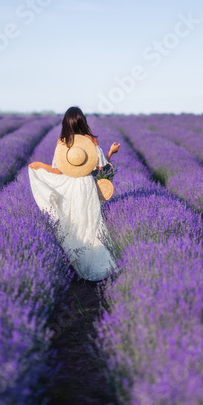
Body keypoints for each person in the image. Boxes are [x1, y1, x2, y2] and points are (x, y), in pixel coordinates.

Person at [28, 106, 120, 282]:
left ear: (66, 123)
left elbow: (58, 171)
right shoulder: (90, 140)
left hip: (70, 187)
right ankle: (99, 261)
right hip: (87, 185)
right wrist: (110, 152)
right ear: (82, 121)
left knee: (73, 223)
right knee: (92, 223)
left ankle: (74, 261)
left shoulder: (62, 141)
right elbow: (102, 166)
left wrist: (40, 165)